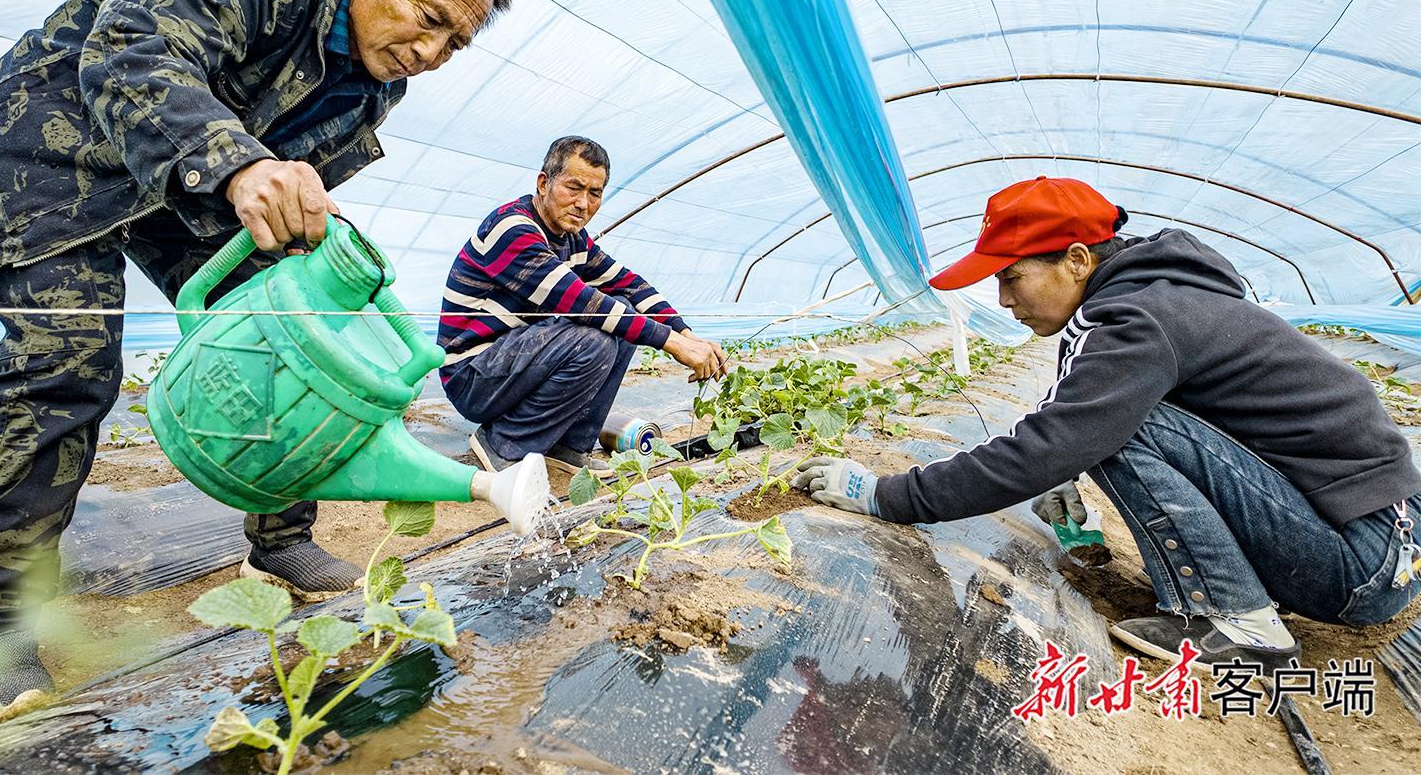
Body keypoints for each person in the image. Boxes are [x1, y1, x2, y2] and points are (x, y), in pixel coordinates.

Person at [0, 0, 513, 702]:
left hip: (185, 180)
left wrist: (305, 223)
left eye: (455, 42)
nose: (431, 51)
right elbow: (133, 50)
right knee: (64, 366)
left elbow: (291, 184)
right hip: (57, 141)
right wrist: (241, 166)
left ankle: (280, 540)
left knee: (299, 329)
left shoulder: (375, 82)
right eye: (428, 18)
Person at [794, 176, 1421, 671]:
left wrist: (886, 495)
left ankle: (1236, 621)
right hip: (1380, 546)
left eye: (1011, 277)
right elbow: (1082, 417)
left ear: (1074, 260)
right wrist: (1065, 472)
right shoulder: (1149, 300)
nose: (1004, 300)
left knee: (1120, 426)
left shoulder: (1139, 317)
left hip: (1363, 563)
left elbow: (1059, 438)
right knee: (1103, 425)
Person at [438, 136, 729, 477]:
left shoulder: (573, 239)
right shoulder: (513, 230)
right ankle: (504, 443)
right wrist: (673, 344)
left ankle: (569, 445)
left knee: (622, 310)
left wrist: (687, 335)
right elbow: (581, 302)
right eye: (573, 188)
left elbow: (629, 284)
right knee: (595, 337)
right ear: (544, 183)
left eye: (594, 193)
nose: (582, 203)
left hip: (509, 365)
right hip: (473, 375)